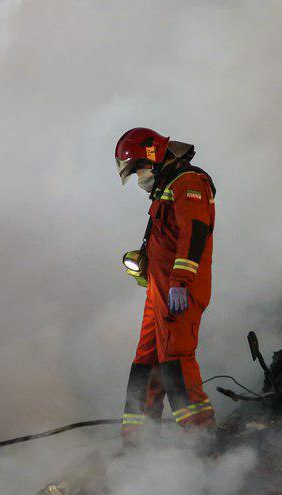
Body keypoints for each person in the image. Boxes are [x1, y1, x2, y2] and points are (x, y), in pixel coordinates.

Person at [114, 128, 217, 446]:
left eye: (138, 168)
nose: (139, 176)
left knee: (175, 358)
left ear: (154, 157)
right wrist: (146, 265)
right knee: (146, 360)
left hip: (179, 290)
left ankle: (201, 438)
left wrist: (180, 282)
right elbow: (167, 237)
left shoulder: (189, 182)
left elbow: (193, 233)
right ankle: (138, 442)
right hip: (160, 291)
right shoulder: (166, 187)